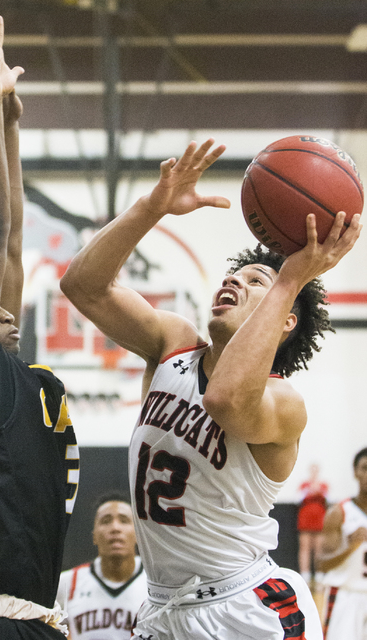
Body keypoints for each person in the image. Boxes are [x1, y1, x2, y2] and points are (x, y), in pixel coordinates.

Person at [60, 139, 361, 640]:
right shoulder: (173, 344)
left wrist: (290, 278)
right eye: (233, 274)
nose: (234, 281)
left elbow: (223, 401)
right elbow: (83, 286)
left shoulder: (284, 403)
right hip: (162, 610)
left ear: (285, 319)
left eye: (256, 280)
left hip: (246, 609)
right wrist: (151, 206)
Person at [0, 8, 79, 639]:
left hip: (28, 617)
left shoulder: (13, 365)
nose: (10, 310)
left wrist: (11, 125)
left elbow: (17, 238)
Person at [57, 495, 147, 639]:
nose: (115, 528)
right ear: (94, 536)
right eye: (106, 521)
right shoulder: (66, 583)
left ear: (138, 533)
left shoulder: (156, 583)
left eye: (124, 521)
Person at [318, 447, 367, 640]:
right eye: (365, 468)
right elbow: (321, 563)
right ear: (355, 472)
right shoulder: (339, 512)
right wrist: (350, 547)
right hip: (346, 597)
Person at [297, 463, 329, 589]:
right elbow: (297, 499)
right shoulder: (304, 485)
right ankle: (305, 576)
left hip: (319, 520)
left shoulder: (324, 485)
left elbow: (328, 499)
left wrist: (319, 491)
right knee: (305, 548)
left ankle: (319, 576)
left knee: (319, 549)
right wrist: (309, 491)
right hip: (305, 520)